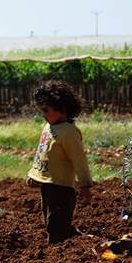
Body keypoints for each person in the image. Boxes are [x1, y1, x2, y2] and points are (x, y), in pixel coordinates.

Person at [27, 81, 93, 244]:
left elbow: (79, 160)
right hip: (48, 186)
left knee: (56, 227)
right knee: (50, 220)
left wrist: (85, 185)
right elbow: (42, 152)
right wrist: (34, 173)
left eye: (46, 110)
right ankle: (69, 236)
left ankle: (61, 247)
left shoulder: (69, 133)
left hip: (62, 188)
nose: (43, 114)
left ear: (61, 108)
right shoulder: (49, 127)